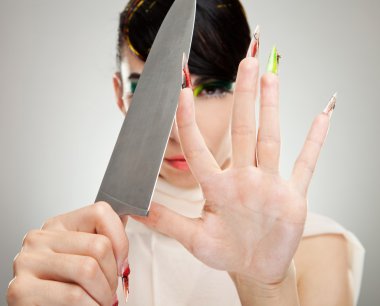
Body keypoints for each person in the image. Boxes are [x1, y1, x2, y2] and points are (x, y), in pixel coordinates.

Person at [7, 0, 364, 305]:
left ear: (248, 90)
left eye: (211, 90)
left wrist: (267, 289)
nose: (177, 130)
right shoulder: (71, 257)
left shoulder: (317, 248)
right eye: (147, 88)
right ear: (120, 94)